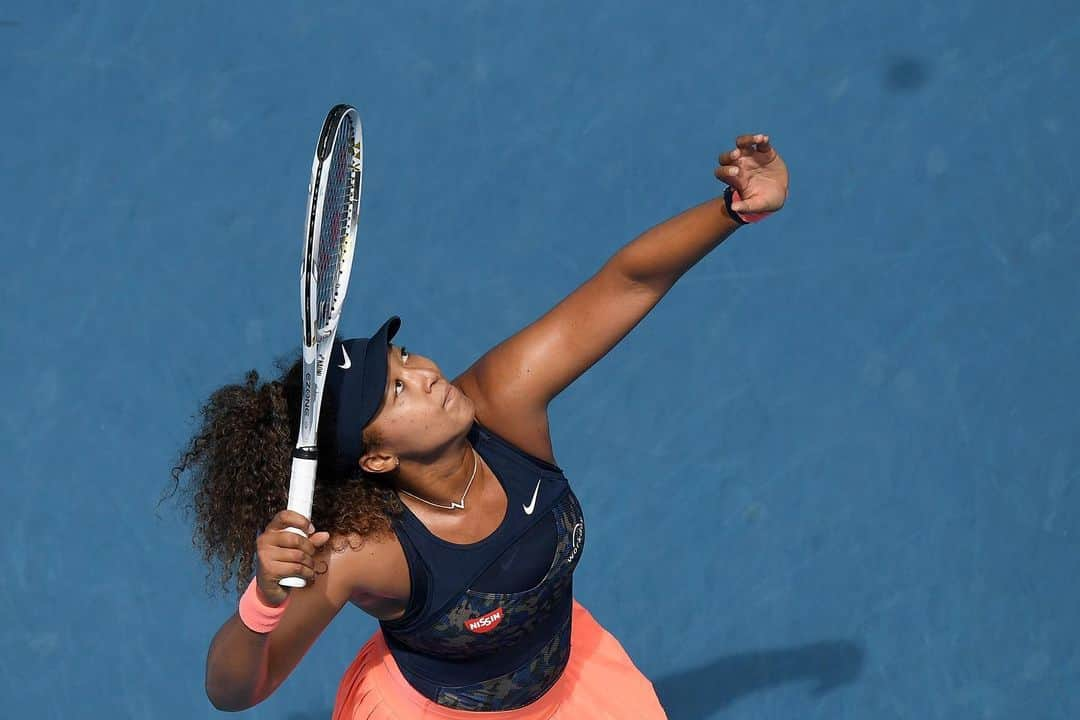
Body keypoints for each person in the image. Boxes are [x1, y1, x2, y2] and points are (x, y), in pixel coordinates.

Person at [171, 133, 789, 718]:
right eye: (396, 391)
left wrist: (735, 209)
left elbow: (628, 280)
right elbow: (233, 693)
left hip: (575, 690)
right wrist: (262, 603)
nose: (427, 374)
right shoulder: (362, 553)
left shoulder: (502, 401)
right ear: (377, 458)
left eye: (405, 359)